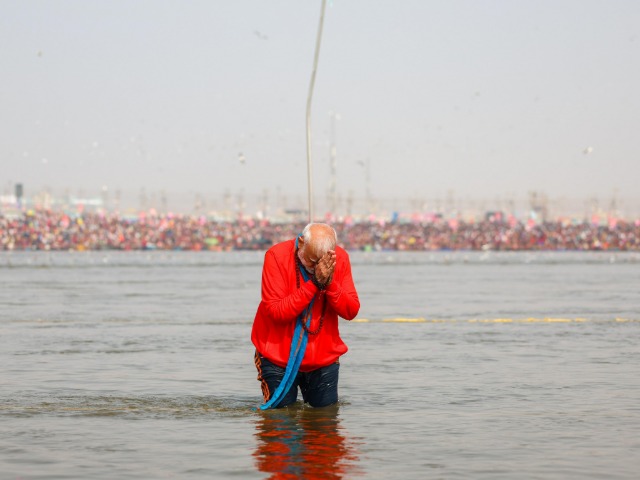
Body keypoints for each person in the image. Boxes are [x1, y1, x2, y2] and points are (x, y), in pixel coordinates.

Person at [252, 223, 360, 408]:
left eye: (321, 261)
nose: (316, 268)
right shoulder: (276, 256)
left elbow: (351, 311)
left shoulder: (340, 258)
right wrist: (314, 284)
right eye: (311, 261)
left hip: (323, 357)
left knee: (325, 425)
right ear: (300, 243)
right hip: (277, 356)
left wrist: (330, 283)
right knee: (280, 424)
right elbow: (277, 312)